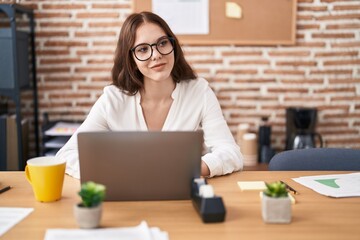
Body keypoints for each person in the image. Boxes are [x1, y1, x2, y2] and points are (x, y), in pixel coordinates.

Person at [56, 11, 243, 179]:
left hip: (179, 196)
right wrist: (111, 171)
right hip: (128, 198)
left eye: (162, 43)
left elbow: (230, 153)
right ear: (131, 59)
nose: (156, 55)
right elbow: (67, 154)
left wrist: (194, 168)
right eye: (143, 49)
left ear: (173, 45)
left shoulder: (199, 91)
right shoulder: (113, 99)